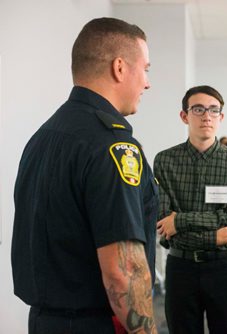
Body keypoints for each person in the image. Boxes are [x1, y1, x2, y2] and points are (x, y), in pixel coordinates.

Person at [11, 18, 157, 333]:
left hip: (43, 321)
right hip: (93, 324)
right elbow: (123, 271)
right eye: (145, 69)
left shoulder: (44, 137)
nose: (147, 83)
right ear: (120, 68)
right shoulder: (113, 145)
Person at [154, 85, 227, 334]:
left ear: (221, 117)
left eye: (213, 110)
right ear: (184, 116)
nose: (206, 116)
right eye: (198, 109)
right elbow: (165, 225)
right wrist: (213, 235)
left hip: (224, 267)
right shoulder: (165, 161)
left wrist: (181, 220)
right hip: (180, 267)